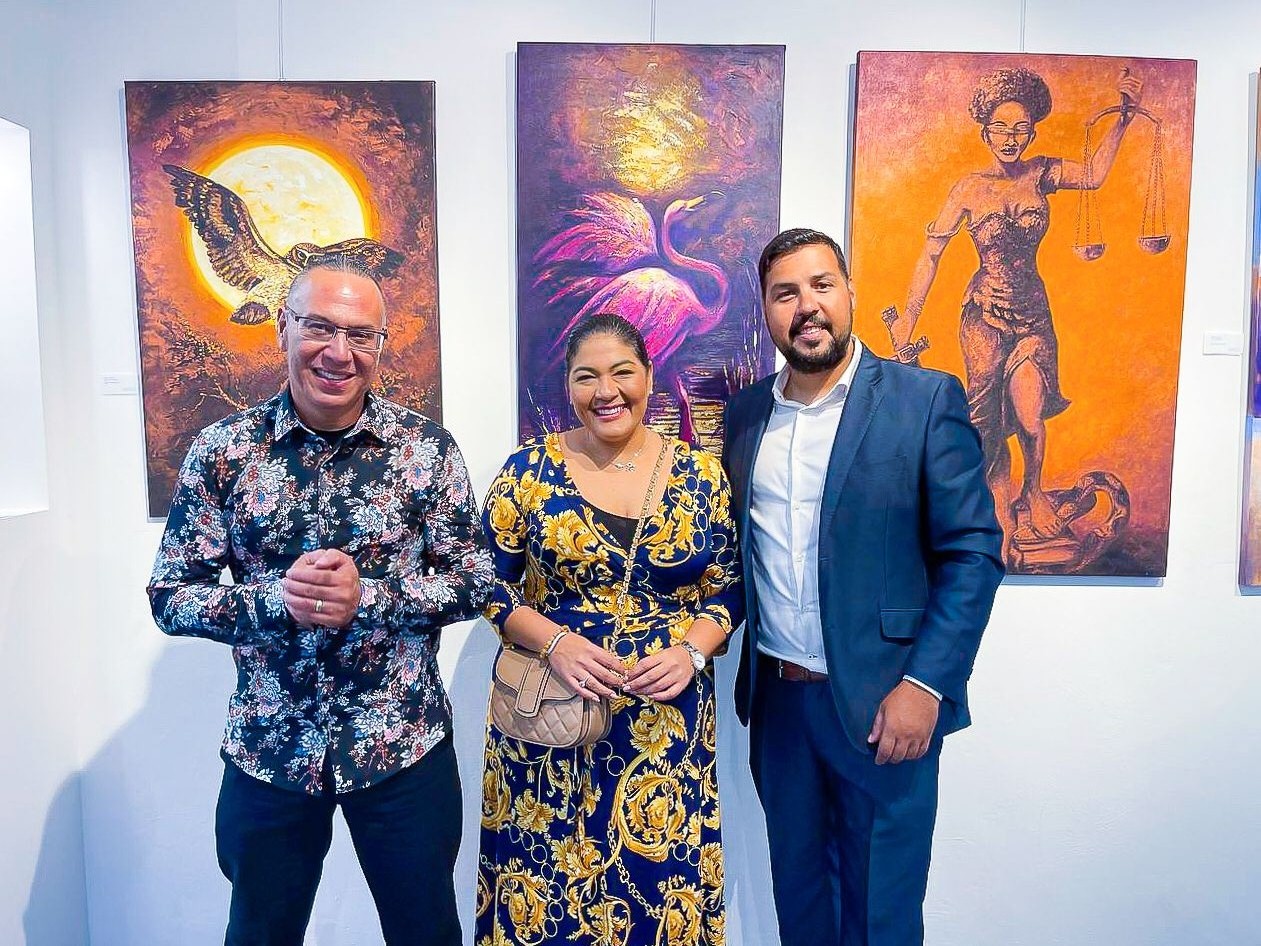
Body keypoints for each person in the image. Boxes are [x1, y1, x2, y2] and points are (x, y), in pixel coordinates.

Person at [147, 261, 493, 946]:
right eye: (320, 328)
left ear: (380, 345)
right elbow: (170, 595)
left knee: (425, 932)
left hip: (402, 745)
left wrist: (370, 598)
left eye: (361, 335)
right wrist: (276, 601)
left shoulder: (427, 449)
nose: (339, 352)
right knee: (259, 934)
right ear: (282, 328)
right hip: (269, 751)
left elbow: (475, 581)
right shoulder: (223, 451)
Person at [722, 229, 1004, 945]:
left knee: (880, 916)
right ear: (766, 310)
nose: (806, 306)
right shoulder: (746, 416)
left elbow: (972, 553)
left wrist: (926, 685)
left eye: (821, 285)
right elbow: (735, 557)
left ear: (849, 292)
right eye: (785, 293)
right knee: (801, 909)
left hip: (886, 706)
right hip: (781, 712)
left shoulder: (922, 399)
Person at [476, 313, 742, 946]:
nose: (606, 391)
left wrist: (692, 653)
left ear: (649, 376)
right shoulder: (527, 471)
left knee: (662, 896)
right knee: (545, 897)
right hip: (550, 721)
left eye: (622, 372)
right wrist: (556, 642)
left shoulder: (701, 475)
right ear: (568, 386)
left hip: (664, 730)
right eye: (586, 376)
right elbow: (483, 582)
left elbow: (730, 587)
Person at [889, 67, 1143, 555]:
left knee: (1029, 415)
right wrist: (908, 319)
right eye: (1001, 128)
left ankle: (1034, 491)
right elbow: (931, 255)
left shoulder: (1042, 173)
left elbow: (1094, 175)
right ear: (985, 132)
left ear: (1032, 134)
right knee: (986, 420)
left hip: (1032, 312)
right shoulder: (968, 189)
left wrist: (1124, 118)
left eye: (1021, 129)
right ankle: (1001, 510)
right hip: (983, 314)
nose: (1011, 138)